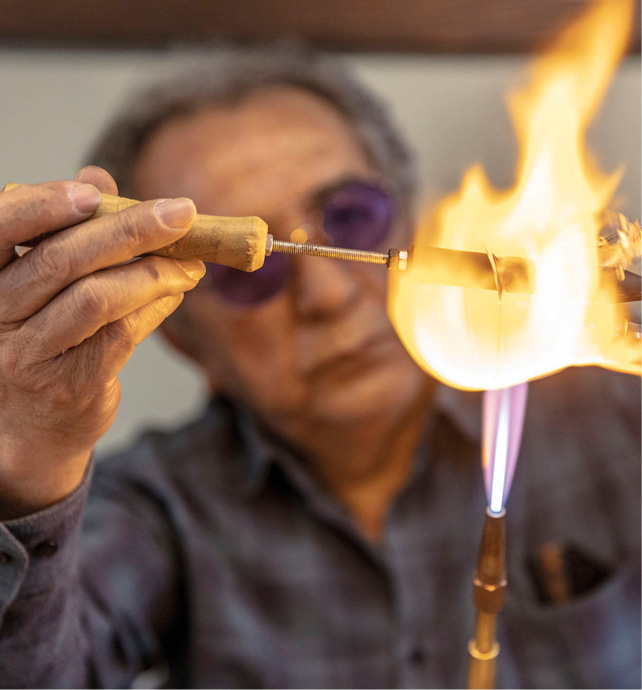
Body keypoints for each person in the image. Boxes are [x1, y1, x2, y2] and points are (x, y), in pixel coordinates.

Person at [0, 48, 639, 689]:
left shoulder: (610, 426)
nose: (327, 296)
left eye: (352, 218)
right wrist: (30, 458)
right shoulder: (159, 508)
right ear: (191, 346)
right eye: (253, 272)